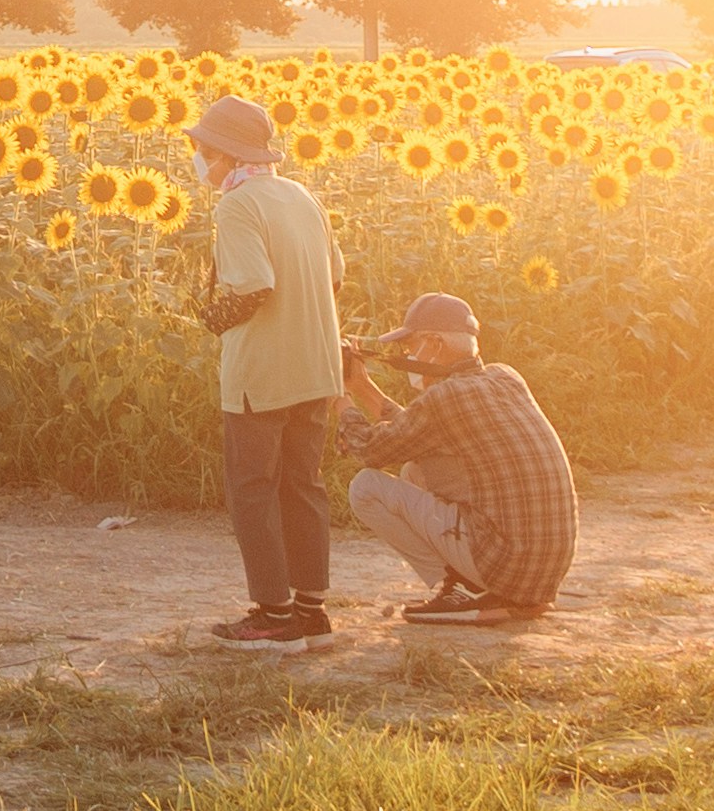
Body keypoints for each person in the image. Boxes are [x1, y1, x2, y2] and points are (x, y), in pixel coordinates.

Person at [186, 92, 343, 642]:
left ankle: (274, 614)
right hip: (316, 366)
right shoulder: (302, 196)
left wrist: (211, 317)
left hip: (261, 373)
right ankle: (311, 611)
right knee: (304, 485)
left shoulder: (236, 205)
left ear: (229, 155)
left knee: (252, 490)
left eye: (206, 151)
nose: (201, 160)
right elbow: (335, 277)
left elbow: (253, 286)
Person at [339, 290, 577, 630]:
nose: (406, 356)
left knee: (365, 488)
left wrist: (338, 397)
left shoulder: (446, 396)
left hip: (505, 566)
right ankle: (496, 593)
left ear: (434, 344)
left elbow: (370, 450)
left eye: (410, 346)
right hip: (540, 576)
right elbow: (413, 432)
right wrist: (362, 387)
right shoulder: (505, 377)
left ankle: (463, 588)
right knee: (416, 469)